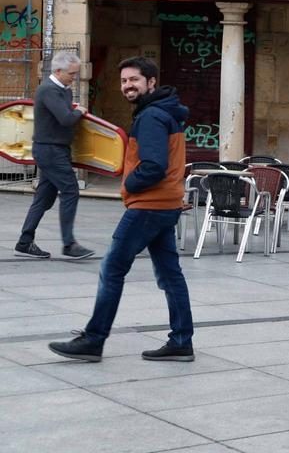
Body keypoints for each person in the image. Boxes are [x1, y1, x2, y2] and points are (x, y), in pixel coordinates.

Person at [48, 56, 194, 362]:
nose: (128, 85)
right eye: (124, 80)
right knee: (170, 275)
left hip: (148, 206)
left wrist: (129, 185)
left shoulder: (152, 116)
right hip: (166, 204)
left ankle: (94, 340)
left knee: (111, 269)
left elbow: (153, 166)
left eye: (134, 80)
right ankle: (181, 341)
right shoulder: (165, 111)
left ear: (151, 82)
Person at [16, 50, 93, 259]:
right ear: (58, 71)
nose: (74, 78)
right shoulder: (48, 90)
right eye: (71, 74)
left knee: (44, 198)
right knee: (70, 190)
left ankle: (24, 241)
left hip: (57, 149)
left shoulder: (64, 90)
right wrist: (80, 111)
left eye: (76, 74)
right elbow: (66, 119)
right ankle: (69, 244)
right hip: (49, 150)